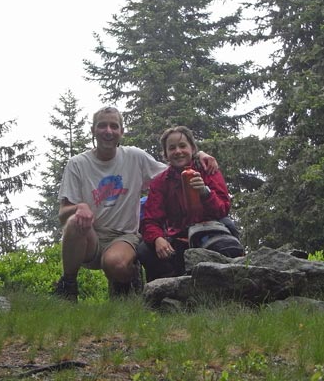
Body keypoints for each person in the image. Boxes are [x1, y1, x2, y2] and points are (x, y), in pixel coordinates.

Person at [53, 107, 218, 301]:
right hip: (90, 237)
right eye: (102, 126)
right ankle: (68, 286)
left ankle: (129, 281)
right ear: (93, 130)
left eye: (114, 126)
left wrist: (198, 154)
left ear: (121, 132)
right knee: (73, 222)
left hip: (124, 236)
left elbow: (173, 171)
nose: (108, 131)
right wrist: (78, 207)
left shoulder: (134, 157)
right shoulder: (77, 164)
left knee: (116, 265)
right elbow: (63, 213)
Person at [138, 126, 244, 282]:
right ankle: (163, 294)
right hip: (179, 236)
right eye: (172, 148)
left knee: (229, 232)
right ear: (166, 154)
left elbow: (223, 209)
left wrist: (204, 192)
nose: (178, 151)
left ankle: (233, 283)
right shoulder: (160, 182)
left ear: (192, 148)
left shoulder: (208, 169)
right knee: (145, 251)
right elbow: (151, 219)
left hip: (210, 230)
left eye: (183, 146)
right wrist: (157, 239)